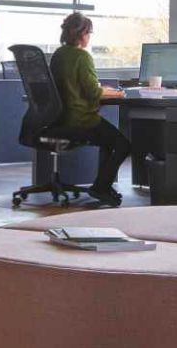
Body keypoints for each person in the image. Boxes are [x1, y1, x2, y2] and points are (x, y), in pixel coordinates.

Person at [50, 12, 130, 208]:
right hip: (81, 120)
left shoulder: (58, 55)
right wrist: (118, 93)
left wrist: (101, 90)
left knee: (108, 141)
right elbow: (93, 92)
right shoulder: (82, 56)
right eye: (88, 33)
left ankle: (102, 186)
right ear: (81, 34)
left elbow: (75, 86)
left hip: (61, 119)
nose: (89, 37)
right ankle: (101, 187)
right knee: (123, 145)